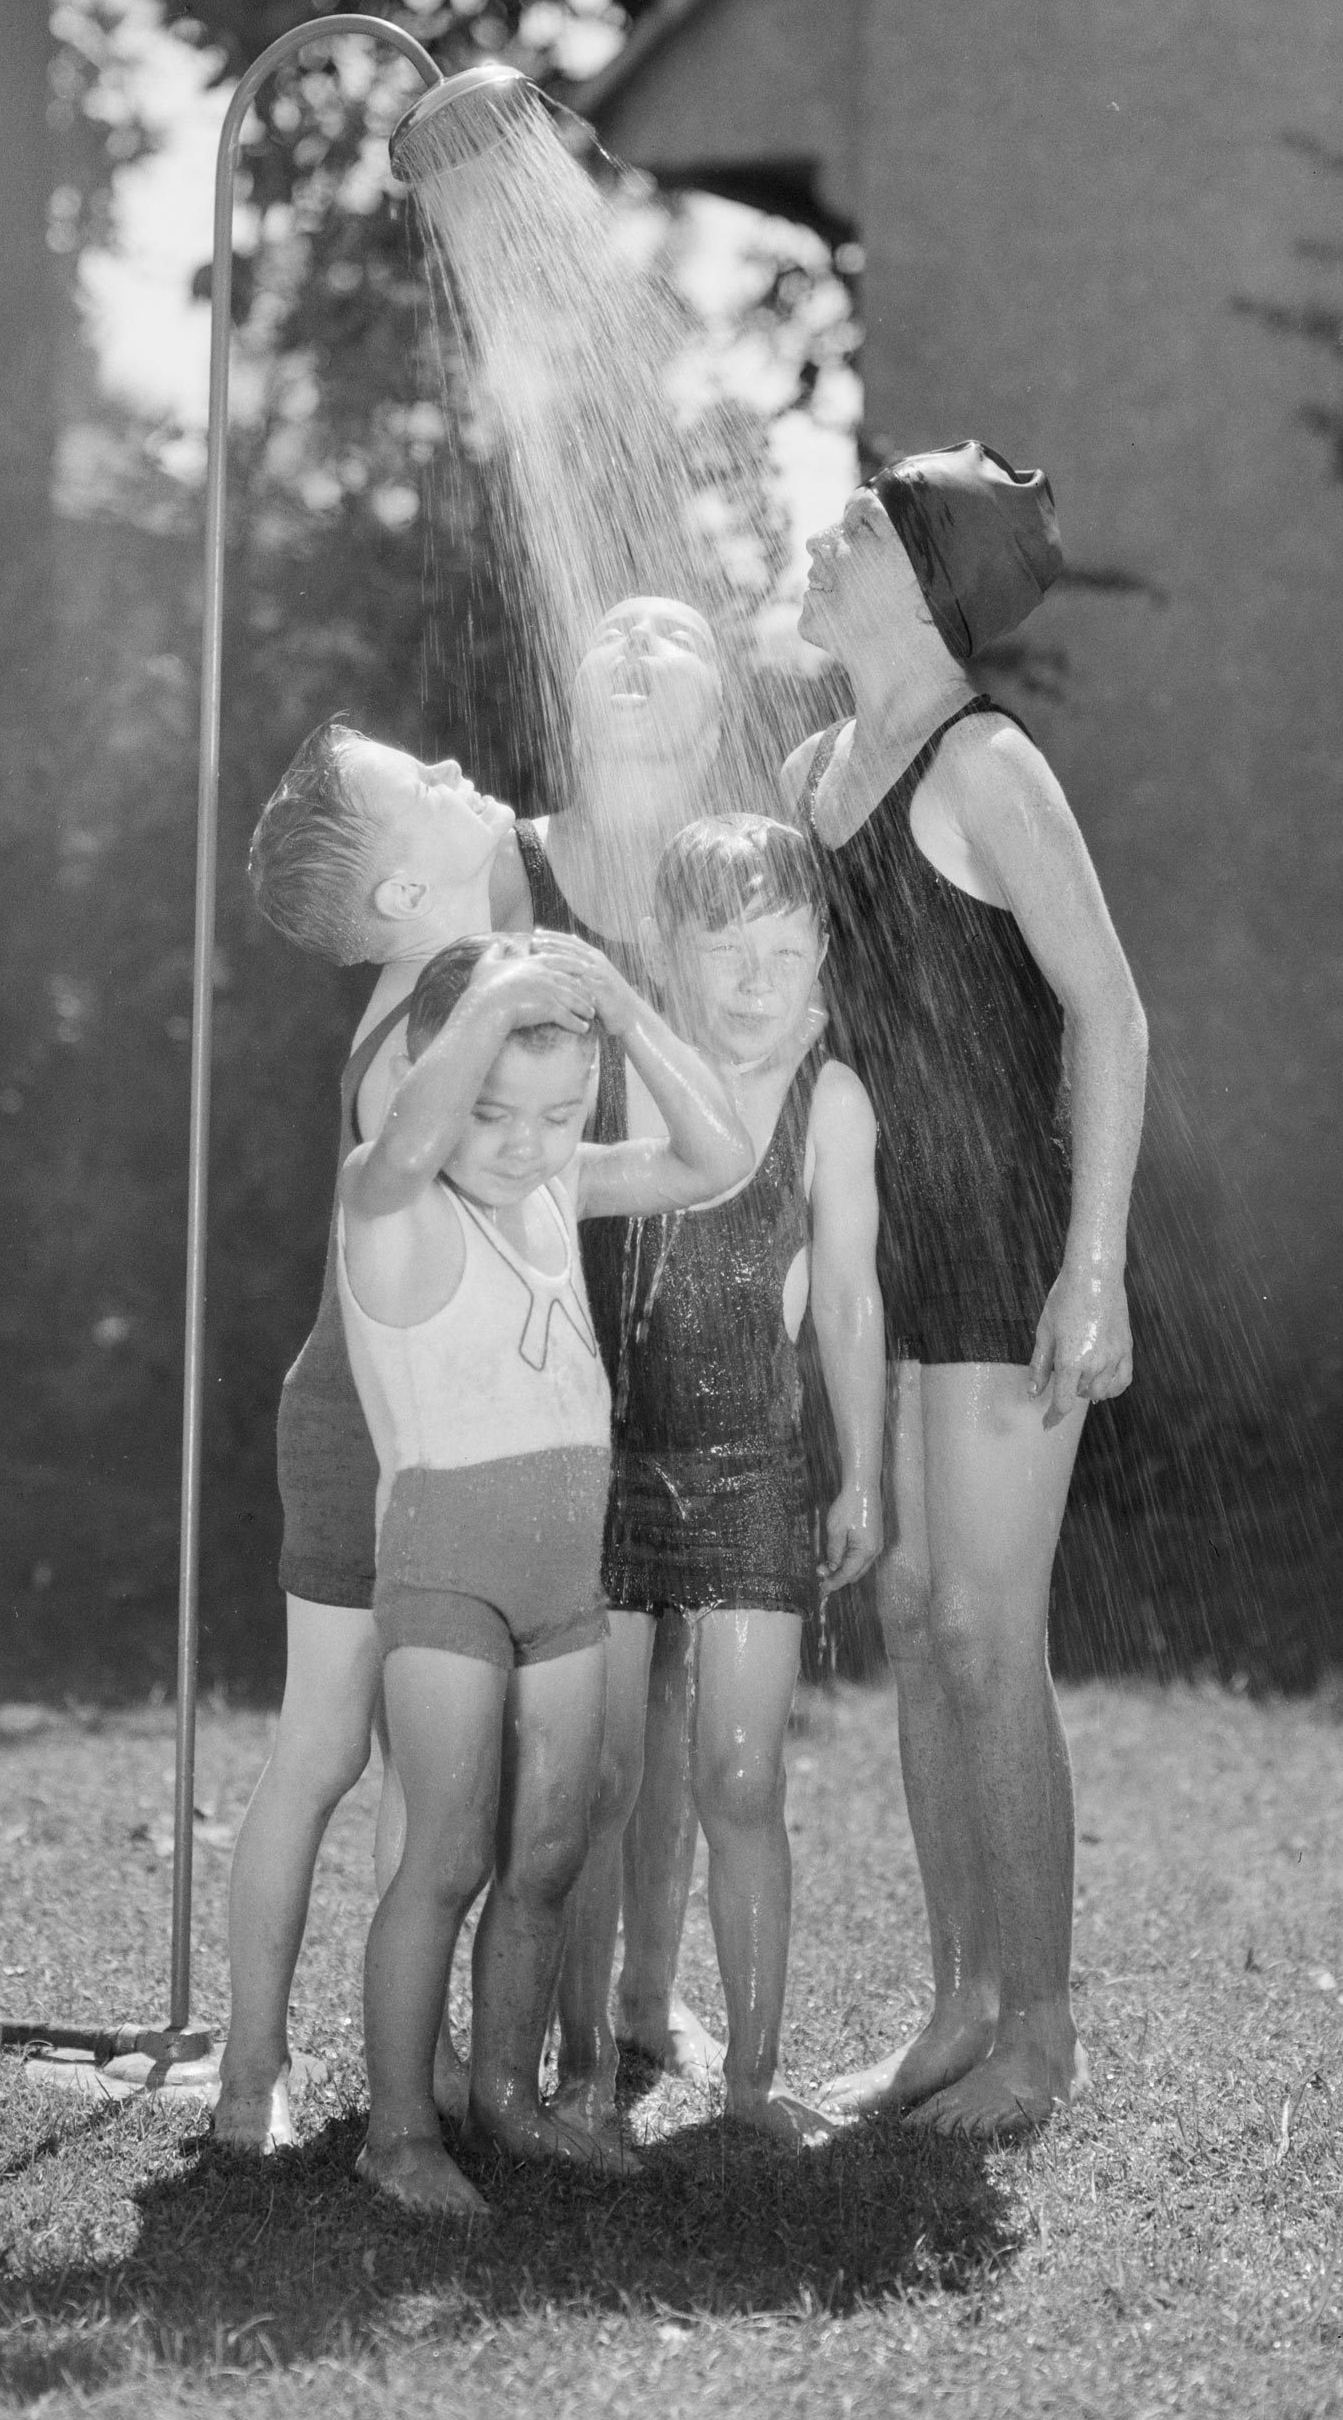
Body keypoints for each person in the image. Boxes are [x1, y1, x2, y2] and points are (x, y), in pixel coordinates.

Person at [782, 443, 1147, 2138]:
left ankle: (1043, 2034)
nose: (817, 530)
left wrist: (1096, 1262)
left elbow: (1112, 1013)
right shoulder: (814, 770)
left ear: (923, 578)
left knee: (992, 1636)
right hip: (886, 1255)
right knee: (916, 1625)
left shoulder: (986, 762)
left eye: (854, 520)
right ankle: (955, 2008)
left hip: (1003, 1244)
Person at [343, 929, 753, 2215]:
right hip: (446, 1573)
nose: (523, 1141)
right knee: (450, 1855)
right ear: (429, 1068)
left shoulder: (549, 1188)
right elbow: (412, 1141)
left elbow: (718, 1155)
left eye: (558, 1114)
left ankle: (509, 2098)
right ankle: (400, 2132)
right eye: (491, 1109)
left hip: (562, 1578)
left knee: (549, 1855)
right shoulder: (390, 1191)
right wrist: (505, 996)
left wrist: (626, 1010)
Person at [553, 815, 885, 2147]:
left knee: (743, 1775)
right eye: (729, 951)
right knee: (600, 1774)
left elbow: (850, 1300)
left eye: (789, 949)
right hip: (611, 1468)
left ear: (822, 957)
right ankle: (585, 2067)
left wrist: (861, 1471)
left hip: (755, 1468)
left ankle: (752, 2077)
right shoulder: (626, 1082)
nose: (761, 978)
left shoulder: (834, 1100)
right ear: (670, 959)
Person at [214, 721, 516, 2152]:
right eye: (433, 788)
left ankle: (418, 2045)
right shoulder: (432, 1016)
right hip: (377, 1427)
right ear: (403, 892)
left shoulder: (447, 975)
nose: (463, 778)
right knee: (330, 1746)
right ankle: (253, 2064)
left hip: (415, 1424)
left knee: (410, 1756)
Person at [507, 594, 736, 2082]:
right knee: (539, 1674)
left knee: (669, 1679)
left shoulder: (730, 883)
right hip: (528, 1313)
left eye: (677, 634)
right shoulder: (508, 862)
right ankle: (525, 1999)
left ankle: (651, 1994)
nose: (642, 642)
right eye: (615, 631)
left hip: (690, 1310)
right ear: (571, 691)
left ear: (716, 717)